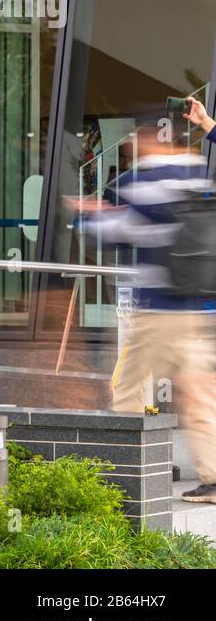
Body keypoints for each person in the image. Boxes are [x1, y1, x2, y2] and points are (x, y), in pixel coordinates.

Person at [77, 108, 216, 503]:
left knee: (127, 386)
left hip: (159, 308)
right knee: (198, 393)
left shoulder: (146, 177)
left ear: (149, 138)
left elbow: (126, 230)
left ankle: (127, 471)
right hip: (198, 305)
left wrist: (90, 216)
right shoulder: (196, 173)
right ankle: (214, 477)